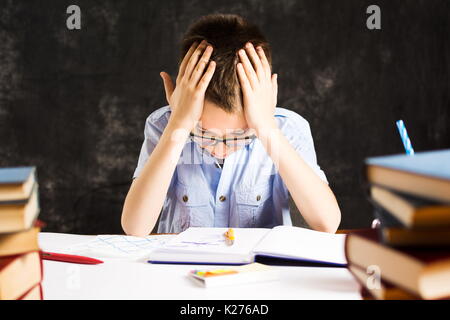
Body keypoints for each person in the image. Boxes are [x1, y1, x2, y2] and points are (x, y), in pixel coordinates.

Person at [121, 13, 341, 236]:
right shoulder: (164, 125)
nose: (219, 149)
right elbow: (135, 228)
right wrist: (179, 123)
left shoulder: (288, 128)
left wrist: (265, 127)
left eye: (241, 135)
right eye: (203, 133)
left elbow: (327, 223)